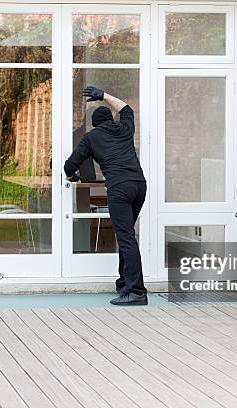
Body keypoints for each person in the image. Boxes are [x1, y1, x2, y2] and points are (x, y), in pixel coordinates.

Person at [64, 86, 147, 306]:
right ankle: (125, 284)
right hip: (139, 185)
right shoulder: (124, 128)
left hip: (119, 189)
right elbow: (127, 109)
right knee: (126, 235)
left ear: (94, 123)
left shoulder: (92, 138)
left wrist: (73, 176)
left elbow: (70, 164)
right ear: (111, 119)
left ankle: (137, 292)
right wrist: (104, 95)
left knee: (126, 238)